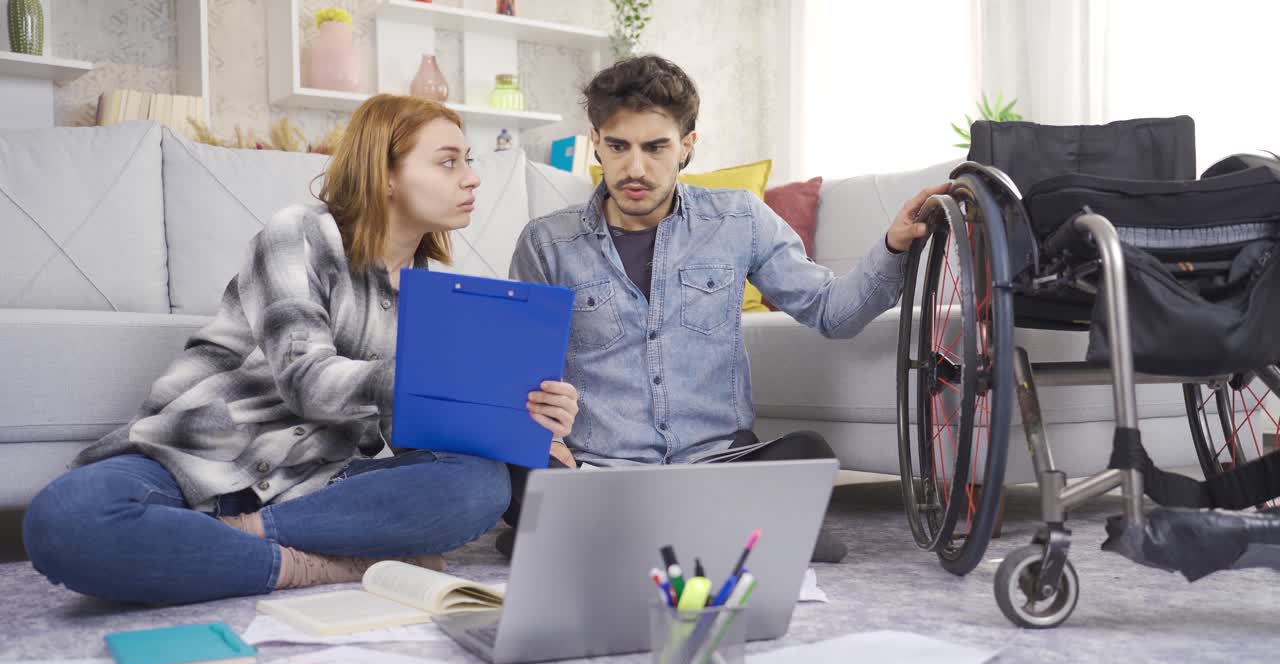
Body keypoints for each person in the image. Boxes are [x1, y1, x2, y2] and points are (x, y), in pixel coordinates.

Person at [22, 95, 580, 605]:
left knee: (480, 483)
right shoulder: (299, 233)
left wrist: (524, 421)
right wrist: (444, 378)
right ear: (385, 174)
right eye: (449, 161)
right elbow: (306, 380)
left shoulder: (432, 295)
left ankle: (240, 544)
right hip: (198, 457)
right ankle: (322, 568)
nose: (473, 179)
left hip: (311, 489)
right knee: (65, 519)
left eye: (470, 161)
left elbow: (415, 433)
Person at [502, 56, 948, 563]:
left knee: (807, 455)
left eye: (656, 147)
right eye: (618, 147)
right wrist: (542, 443)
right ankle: (711, 532)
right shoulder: (547, 243)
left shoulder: (739, 219)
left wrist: (891, 246)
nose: (635, 169)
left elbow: (832, 313)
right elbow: (519, 375)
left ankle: (601, 535)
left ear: (687, 145)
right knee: (511, 473)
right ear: (597, 141)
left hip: (714, 460)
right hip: (597, 466)